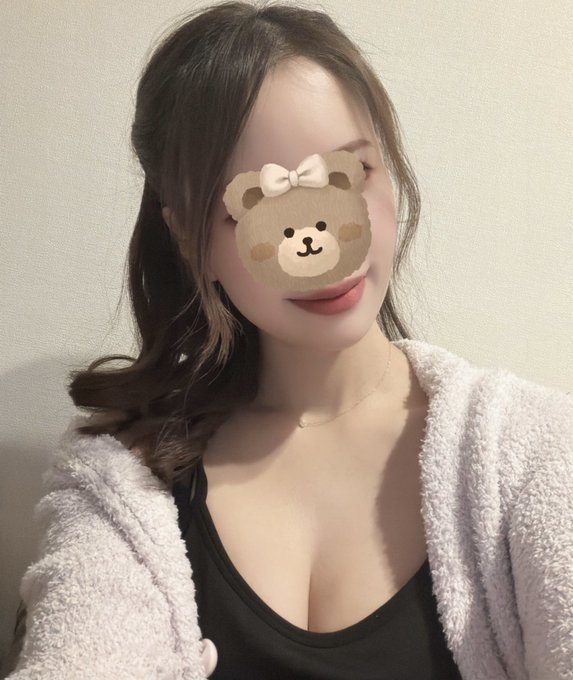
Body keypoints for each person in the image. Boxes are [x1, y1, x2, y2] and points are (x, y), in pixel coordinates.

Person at [4, 2, 572, 679]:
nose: (319, 250)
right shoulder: (120, 478)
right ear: (189, 238)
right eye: (256, 206)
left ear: (388, 173)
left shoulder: (534, 453)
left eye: (346, 175)